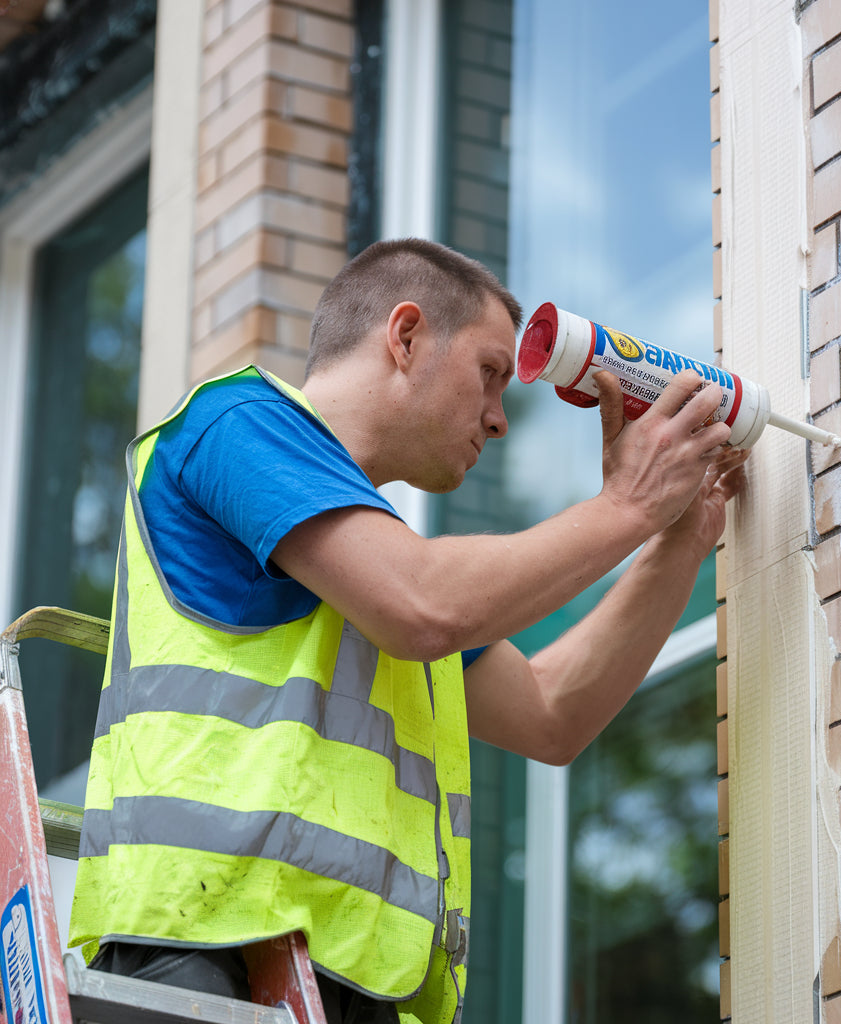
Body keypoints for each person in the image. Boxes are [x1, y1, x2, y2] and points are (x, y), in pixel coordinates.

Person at [69, 238, 747, 1024]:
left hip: (346, 981)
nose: (498, 420)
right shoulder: (237, 423)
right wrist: (624, 507)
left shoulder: (376, 560)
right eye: (489, 373)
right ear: (405, 335)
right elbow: (421, 604)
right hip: (199, 955)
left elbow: (553, 711)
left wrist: (676, 537)